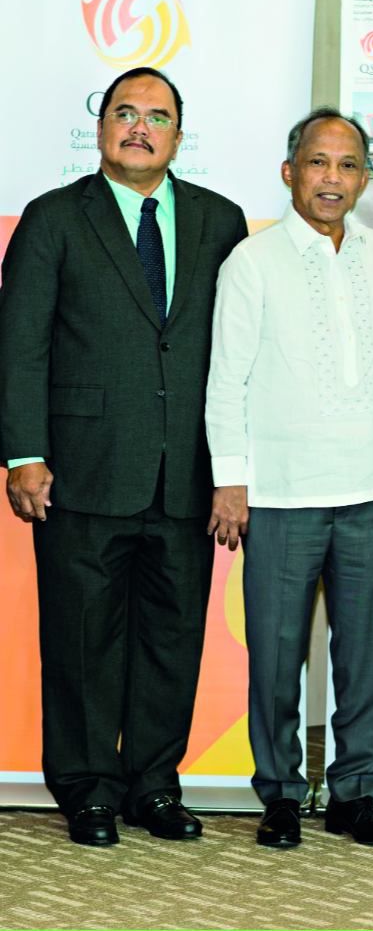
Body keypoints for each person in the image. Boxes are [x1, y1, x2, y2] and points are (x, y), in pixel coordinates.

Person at [0, 67, 248, 846]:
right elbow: (20, 346)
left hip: (187, 475)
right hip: (79, 469)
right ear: (101, 126)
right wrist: (25, 452)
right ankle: (87, 788)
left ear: (180, 133)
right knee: (80, 639)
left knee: (171, 640)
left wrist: (234, 467)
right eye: (125, 113)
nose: (140, 127)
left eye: (158, 116)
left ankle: (153, 785)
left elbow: (237, 354)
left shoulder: (220, 220)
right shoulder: (52, 218)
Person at [205, 108, 373, 849]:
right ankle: (282, 793)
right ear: (291, 171)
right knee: (276, 654)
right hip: (282, 492)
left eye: (348, 165)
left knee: (365, 655)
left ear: (363, 178)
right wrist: (231, 480)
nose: (332, 178)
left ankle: (357, 793)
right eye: (318, 163)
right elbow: (224, 380)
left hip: (368, 486)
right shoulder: (251, 262)